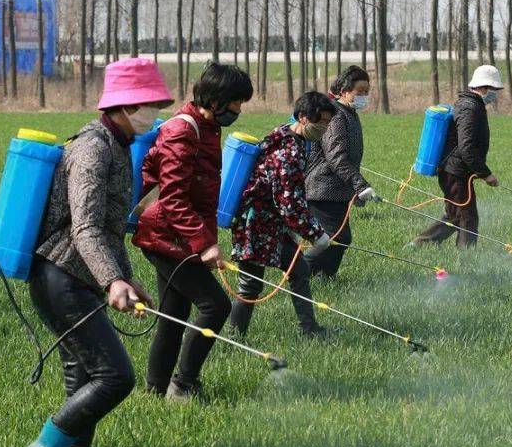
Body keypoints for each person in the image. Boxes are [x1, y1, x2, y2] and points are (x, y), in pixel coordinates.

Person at [20, 58, 173, 447]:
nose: (154, 113)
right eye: (149, 104)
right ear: (125, 106)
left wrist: (126, 276)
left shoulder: (118, 144)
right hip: (60, 277)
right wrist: (112, 280)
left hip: (77, 275)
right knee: (115, 376)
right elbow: (85, 227)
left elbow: (110, 228)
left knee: (84, 377)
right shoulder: (92, 148)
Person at [132, 62, 254, 402]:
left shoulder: (206, 127)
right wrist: (204, 244)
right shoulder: (182, 131)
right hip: (165, 236)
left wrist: (204, 240)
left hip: (177, 235)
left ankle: (155, 391)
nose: (238, 109)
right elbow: (173, 199)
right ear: (215, 100)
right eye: (236, 102)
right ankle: (183, 385)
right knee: (216, 306)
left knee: (173, 315)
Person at [228, 92, 336, 338]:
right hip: (255, 224)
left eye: (328, 123)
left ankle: (309, 329)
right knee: (250, 285)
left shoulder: (295, 140)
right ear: (303, 117)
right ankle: (233, 338)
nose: (324, 127)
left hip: (274, 224)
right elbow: (288, 203)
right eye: (321, 121)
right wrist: (315, 234)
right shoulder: (287, 151)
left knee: (299, 270)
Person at [411, 65, 502, 248]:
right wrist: (486, 174)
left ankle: (420, 244)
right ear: (484, 88)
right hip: (455, 172)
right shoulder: (470, 108)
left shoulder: (472, 105)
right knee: (467, 218)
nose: (495, 94)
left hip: (456, 171)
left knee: (455, 215)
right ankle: (466, 256)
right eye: (494, 90)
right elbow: (466, 147)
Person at [304, 66, 379, 277]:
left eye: (367, 91)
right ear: (344, 91)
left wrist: (355, 188)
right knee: (337, 237)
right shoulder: (336, 116)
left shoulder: (350, 113)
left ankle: (325, 277)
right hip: (322, 187)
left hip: (337, 190)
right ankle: (300, 270)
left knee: (338, 238)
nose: (364, 95)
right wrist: (360, 184)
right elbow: (336, 156)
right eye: (360, 91)